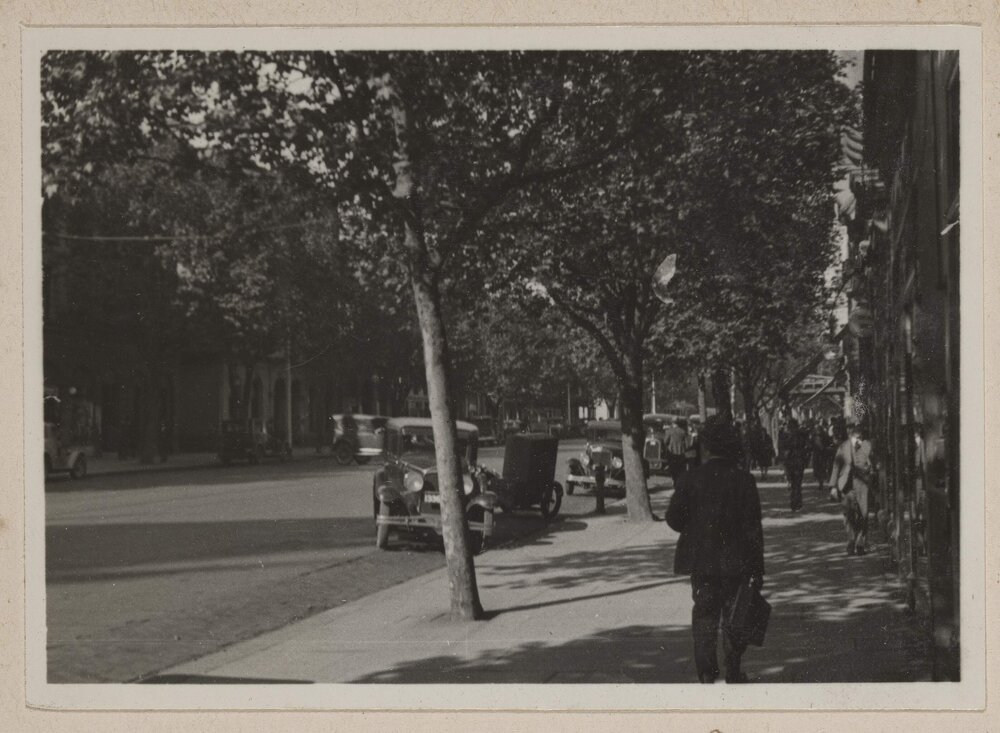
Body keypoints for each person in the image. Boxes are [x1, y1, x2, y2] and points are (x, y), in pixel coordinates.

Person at [666, 415, 765, 684]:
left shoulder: (690, 479)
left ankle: (707, 673)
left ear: (705, 446)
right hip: (737, 564)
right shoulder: (744, 481)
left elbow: (673, 519)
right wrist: (758, 570)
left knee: (705, 617)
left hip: (702, 564)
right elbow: (754, 530)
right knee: (736, 615)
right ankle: (733, 668)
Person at [829, 422, 874, 555]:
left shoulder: (867, 445)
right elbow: (836, 466)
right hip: (847, 485)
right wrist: (833, 486)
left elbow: (873, 463)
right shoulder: (843, 447)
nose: (858, 440)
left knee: (863, 514)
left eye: (860, 437)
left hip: (863, 485)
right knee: (848, 515)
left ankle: (860, 543)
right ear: (851, 436)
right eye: (856, 438)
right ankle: (851, 540)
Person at [779, 417, 809, 511]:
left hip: (791, 462)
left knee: (793, 483)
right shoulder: (801, 435)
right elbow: (807, 447)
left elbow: (782, 449)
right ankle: (797, 501)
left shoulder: (785, 436)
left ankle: (794, 501)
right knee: (797, 483)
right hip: (798, 462)